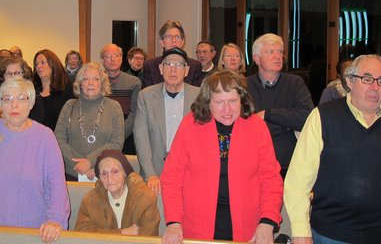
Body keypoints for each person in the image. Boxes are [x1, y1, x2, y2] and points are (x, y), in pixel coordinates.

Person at [161, 69, 283, 243]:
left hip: (248, 229)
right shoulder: (190, 125)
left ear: (242, 99)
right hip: (196, 229)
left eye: (233, 101)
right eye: (219, 102)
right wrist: (173, 221)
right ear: (207, 102)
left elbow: (271, 180)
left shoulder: (257, 127)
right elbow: (172, 178)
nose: (227, 109)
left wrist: (268, 221)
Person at [284, 54, 381, 244]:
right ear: (349, 81)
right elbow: (298, 181)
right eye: (367, 79)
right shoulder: (322, 117)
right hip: (330, 235)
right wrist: (301, 232)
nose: (375, 87)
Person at [0, 78, 69, 242]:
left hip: (33, 232)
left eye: (21, 98)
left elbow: (57, 185)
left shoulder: (45, 137)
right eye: (8, 99)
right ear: (1, 105)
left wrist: (55, 219)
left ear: (31, 103)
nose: (14, 105)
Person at [133, 47, 200, 196]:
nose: (173, 70)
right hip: (155, 173)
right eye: (168, 65)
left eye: (179, 65)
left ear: (187, 70)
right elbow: (141, 137)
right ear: (161, 69)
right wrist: (150, 174)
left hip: (190, 173)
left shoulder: (199, 96)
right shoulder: (146, 96)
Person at [246, 33, 313, 176]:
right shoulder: (244, 85)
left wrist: (267, 114)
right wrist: (286, 122)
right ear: (256, 58)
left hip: (288, 165)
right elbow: (245, 123)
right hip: (253, 163)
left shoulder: (295, 83)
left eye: (280, 52)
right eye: (271, 52)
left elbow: (307, 118)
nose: (278, 56)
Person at [54, 62, 124, 181]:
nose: (90, 83)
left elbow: (117, 142)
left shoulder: (113, 107)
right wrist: (80, 165)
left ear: (102, 83)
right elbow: (58, 139)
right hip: (71, 173)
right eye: (86, 79)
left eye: (96, 79)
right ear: (80, 84)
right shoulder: (69, 106)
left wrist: (90, 162)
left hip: (104, 174)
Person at [75, 149, 160, 235]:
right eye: (104, 174)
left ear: (125, 173)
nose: (110, 179)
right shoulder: (90, 200)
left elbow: (149, 235)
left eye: (115, 172)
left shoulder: (145, 197)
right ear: (99, 177)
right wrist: (121, 233)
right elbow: (82, 233)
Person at [100, 44, 141, 154]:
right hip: (102, 136)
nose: (112, 59)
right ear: (102, 60)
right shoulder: (96, 81)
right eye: (108, 56)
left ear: (121, 58)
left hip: (127, 136)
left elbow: (135, 112)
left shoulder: (134, 82)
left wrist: (120, 134)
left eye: (116, 55)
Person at [0, 56, 45, 125]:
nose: (13, 76)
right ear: (2, 77)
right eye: (9, 73)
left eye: (17, 73)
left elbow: (34, 127)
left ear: (24, 75)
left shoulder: (34, 99)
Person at [142, 20, 201, 88]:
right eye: (169, 37)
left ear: (182, 42)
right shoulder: (150, 66)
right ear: (162, 42)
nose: (174, 41)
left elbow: (196, 95)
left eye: (177, 37)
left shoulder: (194, 66)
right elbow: (147, 95)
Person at [33, 49, 74, 131]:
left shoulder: (66, 87)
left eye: (42, 62)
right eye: (36, 64)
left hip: (59, 137)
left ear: (53, 64)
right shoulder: (32, 89)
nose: (39, 67)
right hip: (35, 137)